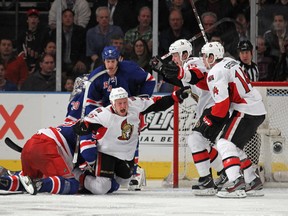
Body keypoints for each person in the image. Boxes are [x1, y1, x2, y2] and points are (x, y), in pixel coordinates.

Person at [66, 46, 156, 191]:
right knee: (108, 140)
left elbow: (149, 80)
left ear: (118, 60)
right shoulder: (96, 76)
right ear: (104, 61)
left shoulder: (129, 69)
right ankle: (100, 169)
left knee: (131, 136)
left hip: (128, 109)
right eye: (108, 61)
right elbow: (90, 102)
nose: (111, 65)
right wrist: (91, 121)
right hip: (110, 114)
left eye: (113, 61)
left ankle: (133, 172)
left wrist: (141, 100)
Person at [72, 87, 190, 195]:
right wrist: (82, 126)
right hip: (107, 153)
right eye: (119, 103)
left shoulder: (135, 104)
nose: (123, 106)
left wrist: (175, 96)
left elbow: (157, 103)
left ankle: (98, 176)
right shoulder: (104, 114)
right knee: (101, 188)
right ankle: (77, 174)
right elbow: (83, 125)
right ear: (113, 104)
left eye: (125, 102)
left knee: (124, 181)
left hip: (126, 155)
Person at [150, 39, 227, 195]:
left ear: (185, 54)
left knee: (195, 140)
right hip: (210, 107)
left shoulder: (192, 63)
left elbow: (194, 76)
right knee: (202, 143)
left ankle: (207, 180)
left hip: (214, 107)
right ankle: (224, 173)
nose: (173, 59)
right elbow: (182, 80)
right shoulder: (188, 65)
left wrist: (165, 68)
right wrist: (161, 69)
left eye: (175, 55)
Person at [200, 42, 266, 198]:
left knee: (224, 143)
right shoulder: (231, 62)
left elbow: (222, 105)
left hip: (245, 110)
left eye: (204, 56)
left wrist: (209, 119)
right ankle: (252, 180)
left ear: (211, 57)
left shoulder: (215, 72)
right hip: (256, 108)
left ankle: (236, 182)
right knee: (232, 146)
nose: (203, 59)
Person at [50, 9, 87, 78]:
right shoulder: (55, 32)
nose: (68, 18)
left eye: (70, 16)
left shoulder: (80, 31)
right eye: (65, 16)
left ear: (73, 18)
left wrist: (80, 60)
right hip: (60, 63)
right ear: (61, 18)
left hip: (75, 63)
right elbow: (54, 52)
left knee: (82, 70)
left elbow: (84, 48)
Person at [17, 8, 50, 74]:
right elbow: (20, 51)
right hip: (24, 66)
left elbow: (45, 52)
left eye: (35, 17)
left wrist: (38, 65)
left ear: (38, 20)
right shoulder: (22, 34)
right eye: (31, 17)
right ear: (27, 20)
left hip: (40, 66)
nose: (33, 19)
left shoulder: (44, 34)